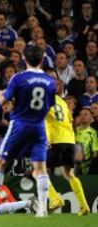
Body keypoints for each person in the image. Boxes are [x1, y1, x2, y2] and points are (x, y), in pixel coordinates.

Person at [0, 45, 56, 218]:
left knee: (0, 163)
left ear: (24, 59)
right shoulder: (50, 80)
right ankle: (43, 209)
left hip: (19, 124)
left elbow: (3, 100)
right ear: (42, 60)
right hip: (39, 126)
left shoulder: (19, 77)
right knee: (41, 168)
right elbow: (50, 105)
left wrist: (1, 94)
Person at [45, 79, 90, 216]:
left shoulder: (44, 100)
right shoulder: (62, 101)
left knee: (38, 171)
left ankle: (55, 198)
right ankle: (84, 206)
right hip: (69, 140)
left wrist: (46, 138)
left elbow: (41, 120)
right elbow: (70, 121)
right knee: (68, 174)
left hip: (55, 139)